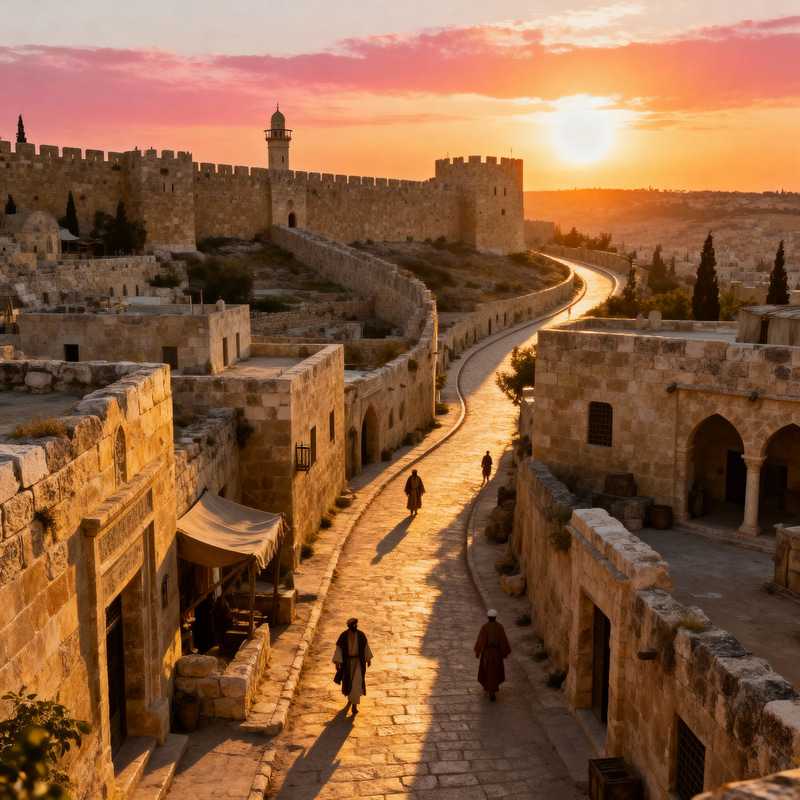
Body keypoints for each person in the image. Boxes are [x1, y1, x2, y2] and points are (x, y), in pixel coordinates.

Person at [333, 617, 373, 714]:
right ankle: (350, 699)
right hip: (347, 663)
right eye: (353, 625)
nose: (355, 627)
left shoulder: (361, 635)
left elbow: (365, 647)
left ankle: (354, 705)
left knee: (357, 682)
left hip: (359, 662)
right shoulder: (343, 636)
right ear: (349, 626)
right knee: (348, 682)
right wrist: (338, 662)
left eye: (356, 625)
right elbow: (339, 649)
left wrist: (368, 659)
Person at [474, 609, 511, 701]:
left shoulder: (484, 627)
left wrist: (478, 652)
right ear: (495, 617)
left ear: (488, 617)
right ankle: (493, 690)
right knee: (495, 670)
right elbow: (503, 640)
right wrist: (504, 653)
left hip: (487, 653)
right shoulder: (499, 627)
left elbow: (481, 641)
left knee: (487, 670)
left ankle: (489, 689)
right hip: (497, 653)